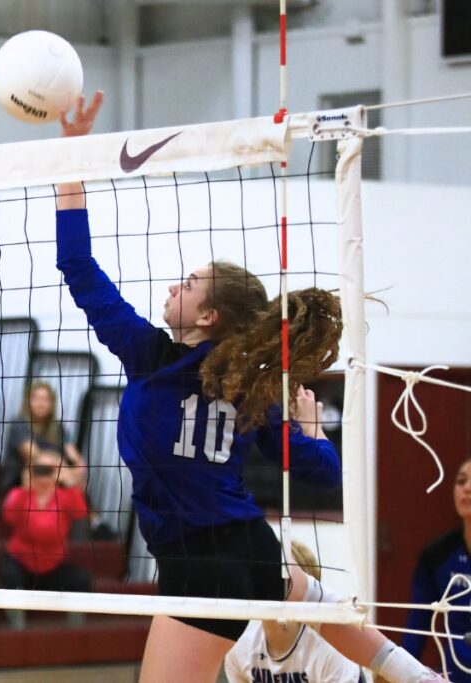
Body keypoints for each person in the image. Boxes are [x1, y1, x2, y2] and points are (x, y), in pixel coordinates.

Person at [55, 91, 441, 683]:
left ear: (209, 317)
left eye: (187, 285)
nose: (173, 289)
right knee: (312, 601)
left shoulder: (152, 357)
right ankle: (422, 676)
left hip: (197, 568)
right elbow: (319, 472)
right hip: (251, 552)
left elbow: (79, 269)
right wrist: (313, 433)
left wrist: (71, 160)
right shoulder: (241, 386)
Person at [224, 540, 366, 683]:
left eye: (282, 578)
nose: (270, 582)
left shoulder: (330, 649)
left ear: (303, 590)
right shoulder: (239, 646)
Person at [401, 457, 471, 681]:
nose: (467, 488)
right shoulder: (436, 556)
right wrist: (396, 671)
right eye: (461, 481)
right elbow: (417, 627)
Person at [0, 451, 91, 596]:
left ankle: (75, 619)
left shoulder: (65, 495)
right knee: (8, 575)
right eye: (39, 470)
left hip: (53, 565)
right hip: (21, 561)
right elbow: (8, 517)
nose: (44, 476)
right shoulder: (20, 493)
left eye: (49, 470)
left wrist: (69, 482)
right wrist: (25, 486)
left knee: (82, 580)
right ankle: (17, 618)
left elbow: (80, 513)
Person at [1, 381, 85, 493]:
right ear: (28, 402)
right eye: (36, 399)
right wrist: (64, 469)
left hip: (57, 481)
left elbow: (76, 458)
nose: (40, 403)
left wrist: (76, 472)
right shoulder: (19, 425)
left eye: (45, 399)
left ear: (52, 404)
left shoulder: (59, 429)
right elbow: (36, 458)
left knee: (77, 482)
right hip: (21, 484)